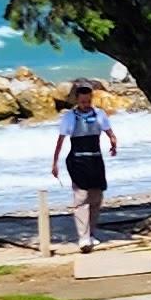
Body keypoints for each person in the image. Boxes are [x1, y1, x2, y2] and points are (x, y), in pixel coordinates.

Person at [43, 77, 119, 249]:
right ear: (77, 100)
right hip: (77, 159)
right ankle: (83, 238)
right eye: (82, 101)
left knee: (96, 198)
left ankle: (91, 233)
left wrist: (114, 143)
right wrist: (55, 163)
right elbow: (60, 141)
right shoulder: (70, 117)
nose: (85, 104)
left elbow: (109, 133)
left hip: (95, 159)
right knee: (81, 197)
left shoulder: (99, 114)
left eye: (88, 100)